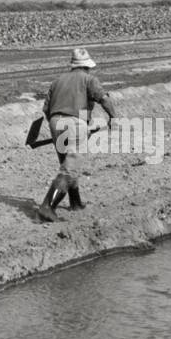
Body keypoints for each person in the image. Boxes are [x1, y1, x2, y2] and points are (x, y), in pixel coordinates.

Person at [38, 47, 115, 221]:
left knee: (68, 162)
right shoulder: (89, 79)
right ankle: (47, 207)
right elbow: (104, 99)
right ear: (87, 66)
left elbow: (46, 109)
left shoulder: (57, 81)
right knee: (70, 167)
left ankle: (75, 203)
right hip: (74, 123)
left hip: (55, 121)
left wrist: (57, 123)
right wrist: (113, 117)